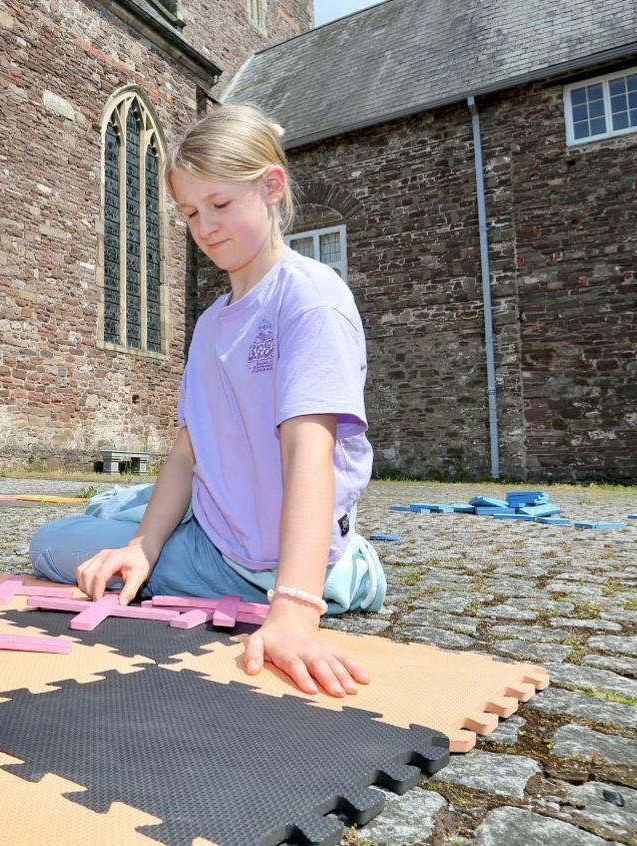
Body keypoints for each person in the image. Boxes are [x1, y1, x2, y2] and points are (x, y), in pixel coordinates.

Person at [29, 104, 382, 698]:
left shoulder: (310, 299)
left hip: (252, 564)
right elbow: (187, 456)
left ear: (272, 188)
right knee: (119, 517)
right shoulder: (213, 322)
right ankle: (126, 516)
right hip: (225, 524)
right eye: (190, 213)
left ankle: (344, 571)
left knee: (54, 543)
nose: (205, 227)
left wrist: (293, 610)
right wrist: (141, 547)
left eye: (220, 205)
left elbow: (309, 455)